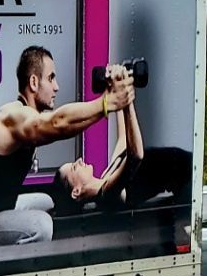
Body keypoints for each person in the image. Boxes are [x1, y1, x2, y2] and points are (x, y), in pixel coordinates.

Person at [0, 49, 134, 251]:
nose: (56, 87)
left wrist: (110, 103)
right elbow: (59, 124)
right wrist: (106, 102)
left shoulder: (27, 116)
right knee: (41, 226)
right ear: (34, 82)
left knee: (46, 201)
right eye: (51, 78)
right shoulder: (13, 117)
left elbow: (64, 124)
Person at [53, 90, 191, 211]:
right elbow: (135, 156)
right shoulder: (108, 195)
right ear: (76, 192)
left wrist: (116, 94)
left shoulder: (106, 175)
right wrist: (127, 101)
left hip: (189, 166)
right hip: (188, 179)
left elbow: (123, 140)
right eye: (74, 168)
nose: (79, 160)